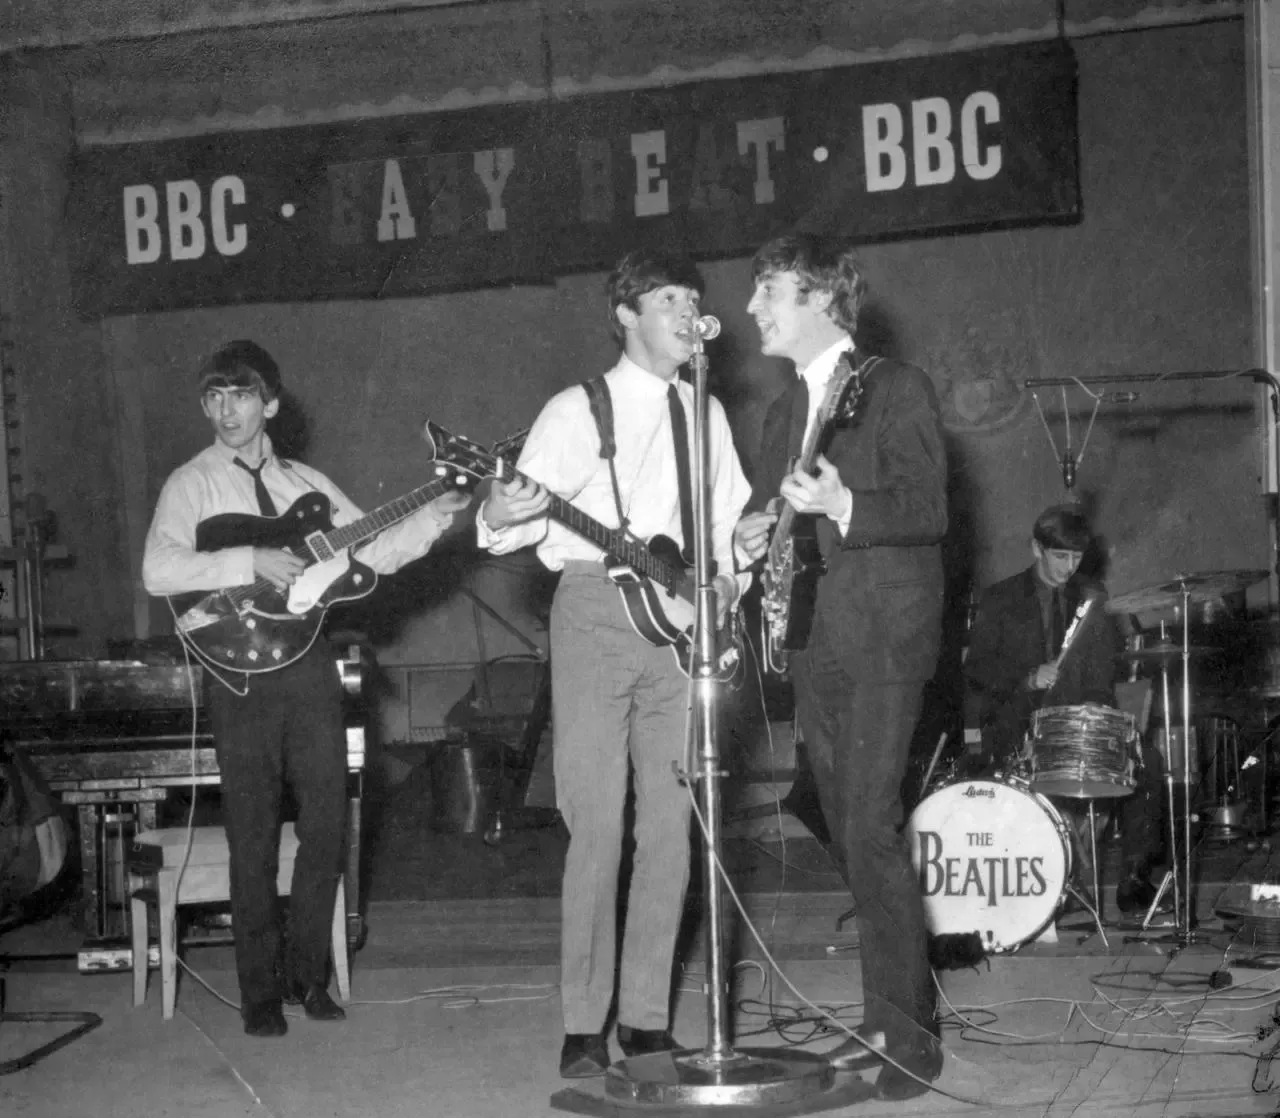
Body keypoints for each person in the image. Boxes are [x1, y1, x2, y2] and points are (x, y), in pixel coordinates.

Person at [142, 340, 470, 1037]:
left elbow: (375, 549)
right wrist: (247, 557)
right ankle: (259, 995)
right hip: (236, 673)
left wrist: (441, 508)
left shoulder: (306, 486)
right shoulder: (191, 483)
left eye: (240, 396)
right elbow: (158, 569)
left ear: (270, 403)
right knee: (252, 833)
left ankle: (308, 977)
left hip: (308, 665)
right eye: (214, 397)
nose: (226, 411)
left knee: (327, 823)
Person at [475, 251, 751, 1078]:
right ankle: (584, 1021)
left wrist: (725, 583)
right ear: (626, 314)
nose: (688, 311)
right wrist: (497, 502)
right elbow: (505, 526)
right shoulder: (574, 409)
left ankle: (645, 1017)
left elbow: (729, 521)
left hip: (683, 622)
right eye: (670, 298)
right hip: (596, 611)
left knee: (671, 825)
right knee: (594, 823)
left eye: (693, 298)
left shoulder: (705, 412)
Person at [733, 234, 947, 1101]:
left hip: (886, 638)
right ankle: (885, 1018)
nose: (753, 307)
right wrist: (755, 530)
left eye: (769, 289)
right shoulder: (783, 412)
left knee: (868, 824)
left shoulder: (893, 388)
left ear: (822, 298)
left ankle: (912, 1039)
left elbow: (928, 507)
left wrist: (844, 502)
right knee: (851, 827)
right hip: (818, 642)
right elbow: (773, 514)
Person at [963, 504, 1162, 912]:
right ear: (1037, 549)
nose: (1069, 568)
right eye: (1060, 556)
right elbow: (978, 669)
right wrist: (1028, 677)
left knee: (1149, 760)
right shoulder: (1000, 597)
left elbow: (1102, 672)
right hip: (1019, 723)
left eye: (1076, 558)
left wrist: (1096, 720)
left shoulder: (1091, 597)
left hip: (1075, 723)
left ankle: (1134, 877)